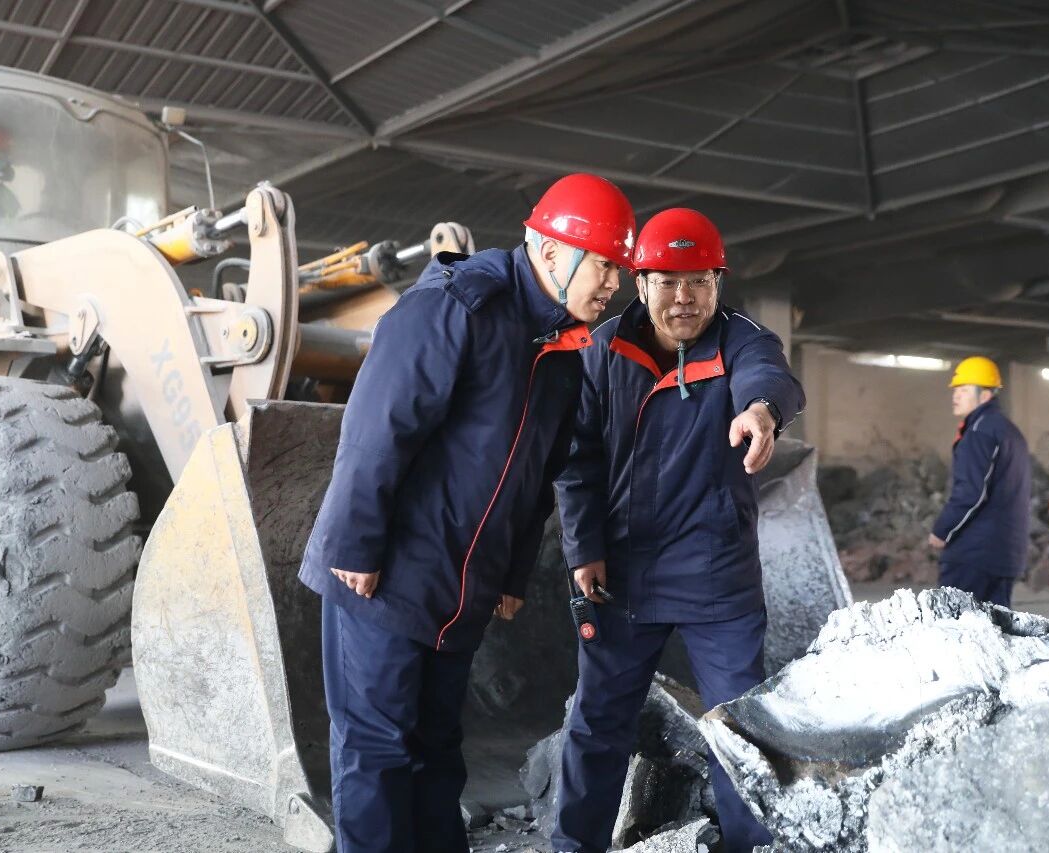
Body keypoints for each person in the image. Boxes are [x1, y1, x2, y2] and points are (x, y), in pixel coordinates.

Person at [298, 174, 635, 853]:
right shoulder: (457, 306)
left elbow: (538, 475)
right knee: (378, 749)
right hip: (387, 571)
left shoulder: (560, 350)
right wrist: (356, 545)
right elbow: (377, 429)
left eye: (619, 269)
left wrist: (510, 573)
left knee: (436, 747)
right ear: (550, 251)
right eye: (603, 264)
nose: (613, 284)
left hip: (459, 585)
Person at [551, 208, 805, 853]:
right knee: (597, 723)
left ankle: (749, 847)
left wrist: (760, 412)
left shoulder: (742, 340)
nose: (683, 297)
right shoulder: (603, 350)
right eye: (667, 281)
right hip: (622, 575)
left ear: (718, 283)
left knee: (739, 732)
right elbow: (576, 460)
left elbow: (771, 378)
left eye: (698, 281)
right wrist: (583, 548)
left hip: (716, 576)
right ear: (641, 284)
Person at [927, 356, 1031, 607]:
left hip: (973, 555)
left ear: (984, 395)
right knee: (995, 626)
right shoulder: (1009, 431)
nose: (956, 395)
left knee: (955, 624)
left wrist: (942, 531)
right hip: (1005, 552)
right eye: (955, 390)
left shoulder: (979, 432)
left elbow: (971, 493)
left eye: (963, 390)